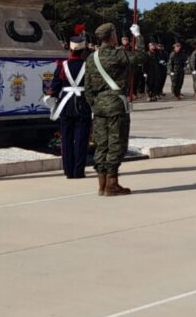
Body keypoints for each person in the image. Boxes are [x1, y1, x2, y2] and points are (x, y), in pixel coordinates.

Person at [84, 22, 146, 196]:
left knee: (101, 145)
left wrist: (95, 105)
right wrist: (138, 36)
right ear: (112, 36)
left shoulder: (91, 58)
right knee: (116, 144)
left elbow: (87, 87)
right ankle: (112, 184)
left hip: (99, 107)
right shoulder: (116, 55)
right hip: (116, 106)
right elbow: (140, 57)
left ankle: (101, 184)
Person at [47, 30, 92, 179]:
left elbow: (54, 87)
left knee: (66, 139)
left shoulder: (62, 65)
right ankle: (79, 171)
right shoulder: (88, 66)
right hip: (83, 104)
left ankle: (68, 170)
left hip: (66, 105)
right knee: (81, 140)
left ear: (71, 49)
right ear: (83, 50)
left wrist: (51, 95)